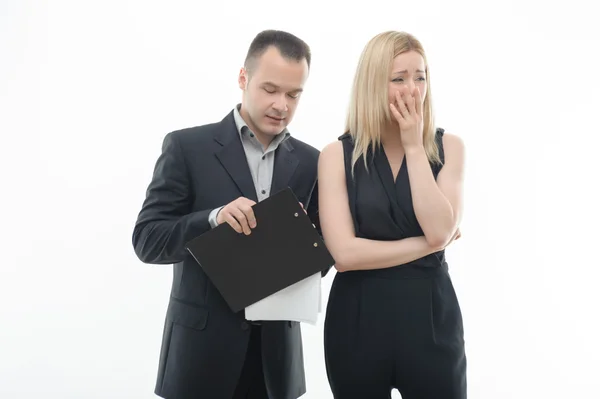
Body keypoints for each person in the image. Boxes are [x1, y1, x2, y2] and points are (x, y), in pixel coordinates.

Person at [132, 30, 324, 399]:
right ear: (243, 78)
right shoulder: (187, 147)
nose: (281, 105)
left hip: (276, 364)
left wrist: (304, 239)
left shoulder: (312, 163)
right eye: (270, 89)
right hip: (199, 356)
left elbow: (324, 257)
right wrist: (213, 219)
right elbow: (147, 240)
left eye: (293, 94)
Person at [318, 31, 467, 399]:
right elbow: (345, 256)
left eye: (421, 77)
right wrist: (429, 243)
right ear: (373, 84)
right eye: (399, 78)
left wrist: (415, 146)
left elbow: (439, 228)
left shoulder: (449, 147)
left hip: (431, 317)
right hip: (357, 319)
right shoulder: (336, 155)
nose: (413, 89)